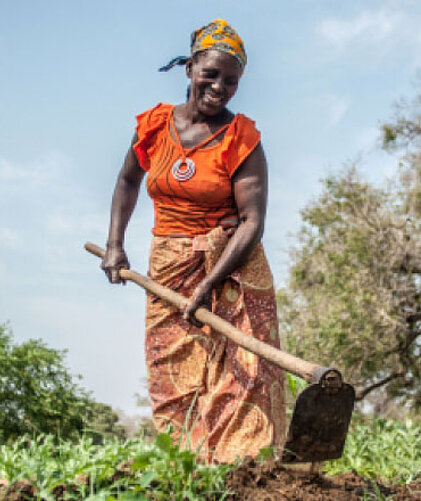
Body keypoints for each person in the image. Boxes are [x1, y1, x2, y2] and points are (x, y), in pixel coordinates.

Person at [100, 19, 286, 463]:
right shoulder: (154, 125)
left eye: (232, 81)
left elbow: (253, 222)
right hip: (169, 262)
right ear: (189, 68)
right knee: (173, 369)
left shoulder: (243, 139)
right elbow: (127, 181)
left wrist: (208, 283)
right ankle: (188, 469)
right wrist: (114, 244)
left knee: (243, 370)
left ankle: (244, 471)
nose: (219, 87)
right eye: (211, 74)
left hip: (233, 265)